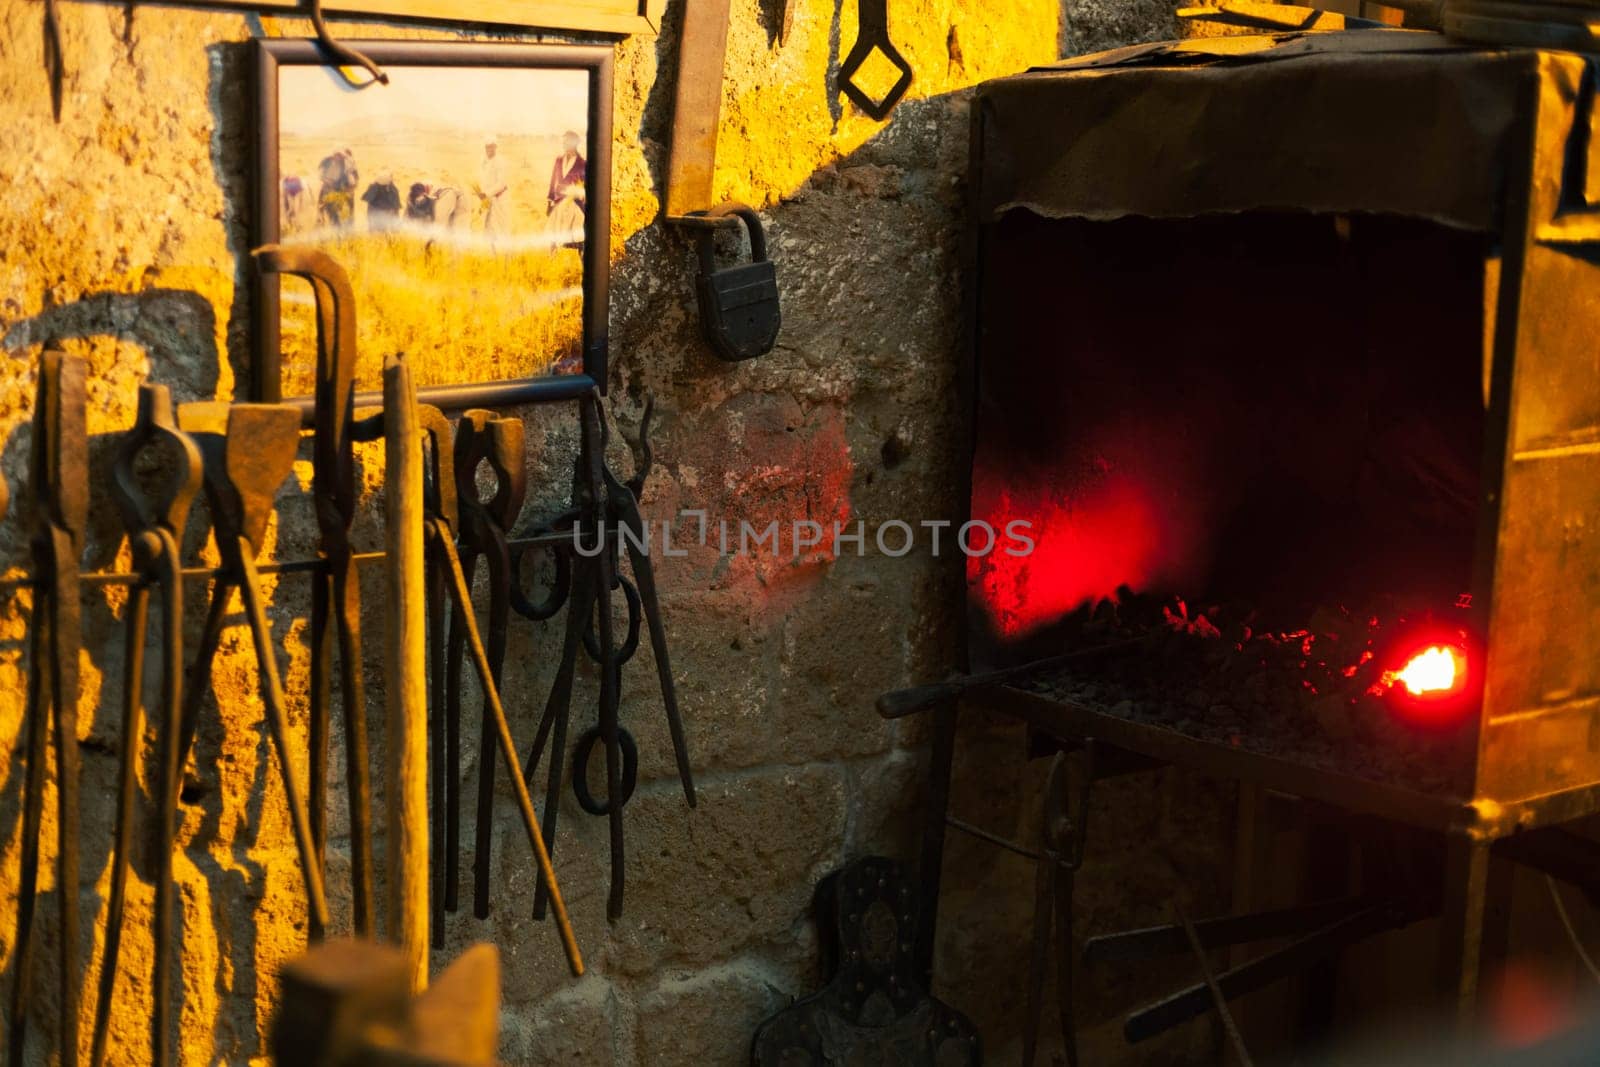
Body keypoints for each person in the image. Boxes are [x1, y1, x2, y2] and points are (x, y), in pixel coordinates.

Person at [546, 129, 586, 250]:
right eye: (563, 142)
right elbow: (553, 182)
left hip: (574, 204)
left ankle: (580, 260)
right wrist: (549, 202)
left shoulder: (582, 163)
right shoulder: (558, 160)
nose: (563, 145)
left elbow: (585, 187)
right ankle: (552, 262)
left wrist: (577, 194)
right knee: (553, 233)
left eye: (566, 142)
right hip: (558, 202)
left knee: (575, 235)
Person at [317, 147, 359, 229]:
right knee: (322, 205)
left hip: (342, 189)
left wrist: (349, 189)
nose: (337, 158)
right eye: (336, 156)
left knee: (348, 209)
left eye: (339, 157)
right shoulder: (327, 162)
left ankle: (348, 226)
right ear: (333, 156)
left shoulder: (348, 164)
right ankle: (322, 220)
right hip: (329, 188)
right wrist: (327, 181)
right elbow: (321, 175)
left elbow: (353, 181)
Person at [477, 136, 509, 245]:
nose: (489, 150)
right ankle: (491, 253)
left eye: (491, 147)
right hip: (488, 199)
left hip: (500, 198)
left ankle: (505, 254)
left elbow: (501, 184)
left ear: (496, 147)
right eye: (487, 147)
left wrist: (486, 193)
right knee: (487, 226)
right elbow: (482, 178)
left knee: (501, 227)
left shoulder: (500, 161)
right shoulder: (483, 160)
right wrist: (482, 194)